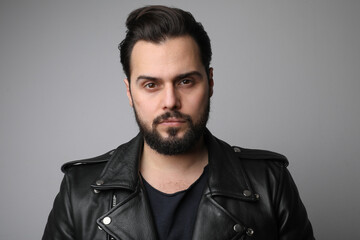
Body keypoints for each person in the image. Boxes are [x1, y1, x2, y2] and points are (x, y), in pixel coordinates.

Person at [42, 5, 315, 240]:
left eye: (186, 81)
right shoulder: (78, 190)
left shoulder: (269, 182)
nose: (170, 101)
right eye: (151, 85)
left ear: (209, 82)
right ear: (129, 92)